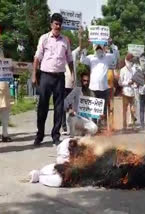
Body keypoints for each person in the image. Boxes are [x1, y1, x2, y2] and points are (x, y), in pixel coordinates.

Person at [32, 13, 73, 146]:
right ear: (51, 25)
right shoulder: (44, 38)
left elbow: (70, 59)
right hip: (45, 76)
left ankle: (56, 136)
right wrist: (34, 74)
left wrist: (72, 75)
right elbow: (37, 57)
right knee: (42, 106)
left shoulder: (65, 41)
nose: (58, 26)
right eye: (56, 24)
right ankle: (40, 135)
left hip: (60, 77)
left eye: (60, 24)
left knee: (59, 107)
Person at [80, 43, 116, 128]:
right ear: (94, 48)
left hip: (104, 88)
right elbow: (82, 60)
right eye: (97, 47)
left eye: (100, 47)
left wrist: (112, 44)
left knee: (103, 110)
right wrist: (85, 48)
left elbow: (115, 56)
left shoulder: (108, 57)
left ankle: (103, 128)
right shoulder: (91, 57)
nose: (99, 49)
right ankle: (94, 128)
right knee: (94, 110)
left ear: (103, 48)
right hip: (93, 87)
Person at [64, 71, 98, 137]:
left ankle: (83, 133)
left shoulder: (92, 93)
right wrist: (69, 110)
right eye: (84, 81)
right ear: (81, 81)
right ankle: (72, 137)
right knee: (72, 118)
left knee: (95, 128)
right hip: (76, 118)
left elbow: (95, 110)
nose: (86, 83)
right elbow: (66, 101)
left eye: (88, 81)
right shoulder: (76, 90)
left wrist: (99, 115)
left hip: (86, 120)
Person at [62, 35, 81, 135]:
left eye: (68, 43)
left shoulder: (72, 54)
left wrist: (80, 35)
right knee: (62, 107)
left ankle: (72, 127)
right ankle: (63, 127)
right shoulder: (59, 54)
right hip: (61, 84)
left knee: (72, 107)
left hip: (71, 84)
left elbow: (80, 47)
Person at [119, 53, 137, 130]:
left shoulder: (134, 69)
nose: (131, 62)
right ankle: (124, 125)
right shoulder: (122, 70)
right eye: (130, 60)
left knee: (133, 110)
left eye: (132, 60)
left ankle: (133, 125)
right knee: (125, 110)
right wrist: (127, 83)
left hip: (133, 92)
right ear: (126, 60)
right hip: (125, 92)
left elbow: (136, 80)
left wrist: (135, 84)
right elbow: (120, 82)